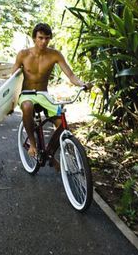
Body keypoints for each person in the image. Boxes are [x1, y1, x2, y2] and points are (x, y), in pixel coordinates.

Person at [12, 23, 92, 158]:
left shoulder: (55, 55)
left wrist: (82, 84)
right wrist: (10, 102)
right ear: (34, 38)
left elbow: (71, 75)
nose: (43, 41)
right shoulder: (23, 54)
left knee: (62, 124)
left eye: (47, 38)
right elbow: (12, 80)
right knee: (27, 106)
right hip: (26, 94)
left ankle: (50, 154)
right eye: (40, 38)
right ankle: (32, 144)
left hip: (44, 95)